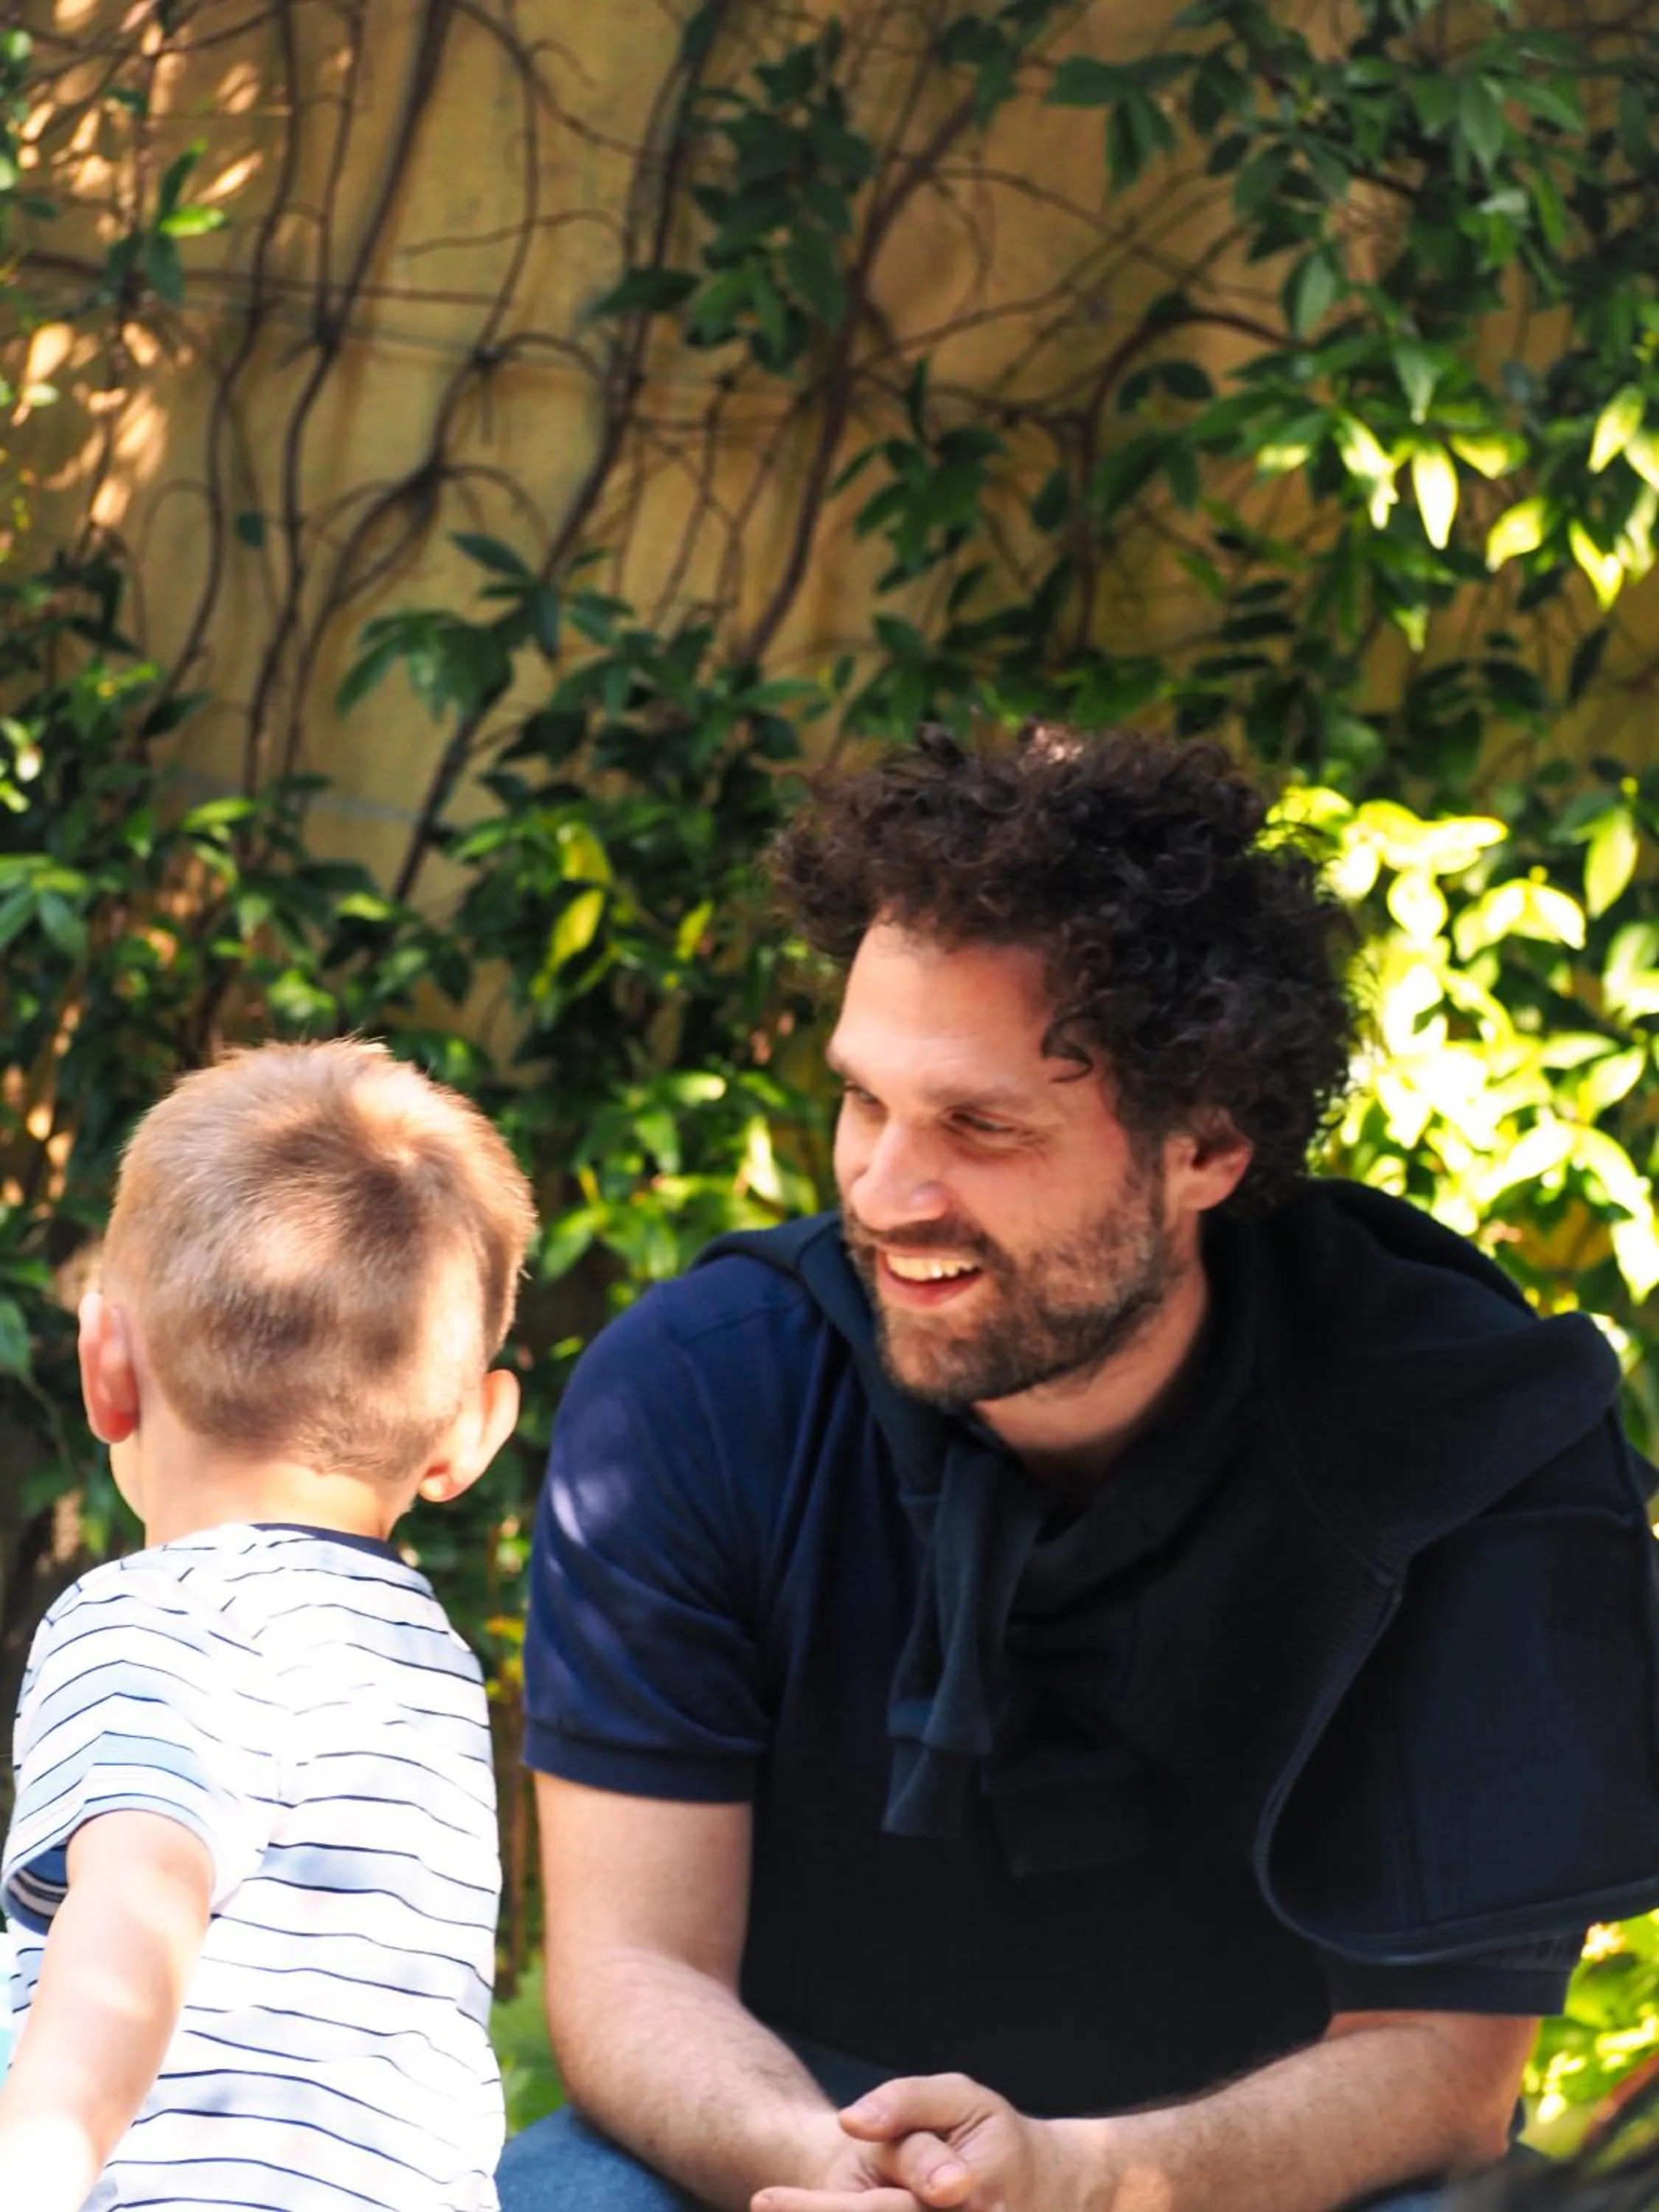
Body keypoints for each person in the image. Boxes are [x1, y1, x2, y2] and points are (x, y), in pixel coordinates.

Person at [501, 728, 1659, 2212]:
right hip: (800, 2143)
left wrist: (1082, 2183)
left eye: (978, 1125)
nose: (883, 1189)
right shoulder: (702, 1390)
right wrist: (818, 2169)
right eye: (865, 1101)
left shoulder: (1453, 1428)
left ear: (1210, 1146)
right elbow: (630, 1967)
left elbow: (1442, 2070)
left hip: (1268, 2177)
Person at [0, 1040, 536, 2212]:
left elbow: (129, 1928)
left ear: (105, 1367)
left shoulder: (147, 1616)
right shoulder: (429, 1664)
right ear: (470, 1435)